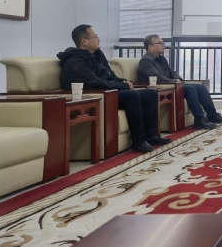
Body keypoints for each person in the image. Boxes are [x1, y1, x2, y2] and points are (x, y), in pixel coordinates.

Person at [58, 25, 171, 153]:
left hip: (108, 91)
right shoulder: (74, 60)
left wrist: (122, 81)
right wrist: (121, 86)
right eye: (96, 37)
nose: (99, 40)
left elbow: (109, 75)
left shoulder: (97, 55)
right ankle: (138, 140)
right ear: (84, 41)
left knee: (150, 94)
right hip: (96, 95)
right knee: (132, 96)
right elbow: (93, 82)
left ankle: (151, 135)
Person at [138, 34, 222, 130]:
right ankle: (199, 120)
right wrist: (175, 81)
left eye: (163, 43)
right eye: (160, 43)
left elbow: (172, 72)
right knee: (190, 89)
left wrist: (178, 79)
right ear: (150, 47)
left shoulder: (161, 59)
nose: (163, 45)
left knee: (201, 88)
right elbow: (158, 78)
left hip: (172, 85)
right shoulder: (146, 61)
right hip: (163, 88)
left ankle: (212, 115)